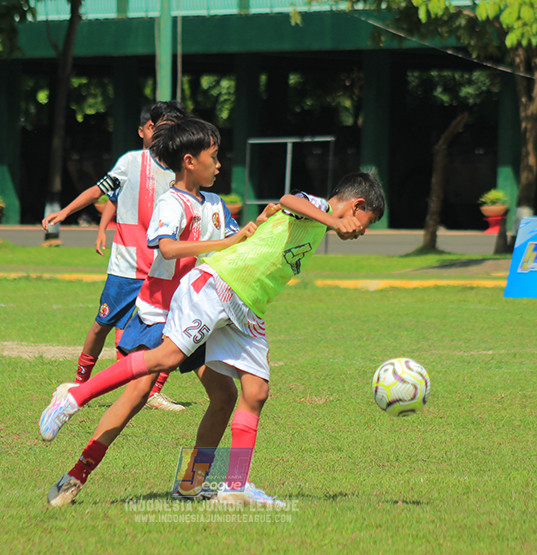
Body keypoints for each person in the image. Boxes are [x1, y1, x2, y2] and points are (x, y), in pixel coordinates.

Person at [38, 171, 386, 505]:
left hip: (247, 307)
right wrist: (332, 220)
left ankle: (220, 485)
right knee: (163, 362)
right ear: (355, 205)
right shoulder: (318, 209)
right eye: (365, 223)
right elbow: (289, 199)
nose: (362, 232)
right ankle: (73, 399)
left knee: (251, 392)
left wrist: (264, 221)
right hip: (218, 287)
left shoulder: (290, 219)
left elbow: (271, 219)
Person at [44, 117, 262, 507]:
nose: (220, 164)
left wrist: (261, 227)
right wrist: (226, 242)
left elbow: (235, 243)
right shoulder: (171, 202)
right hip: (160, 311)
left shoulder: (214, 204)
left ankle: (193, 482)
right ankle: (75, 473)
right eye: (215, 157)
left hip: (200, 313)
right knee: (136, 395)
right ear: (190, 161)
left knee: (224, 394)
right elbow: (166, 248)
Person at [43, 101, 188, 411]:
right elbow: (102, 191)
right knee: (102, 324)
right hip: (126, 265)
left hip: (163, 267)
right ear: (150, 128)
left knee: (173, 331)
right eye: (159, 126)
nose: (163, 133)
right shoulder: (132, 161)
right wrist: (66, 212)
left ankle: (152, 391)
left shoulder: (182, 172)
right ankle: (80, 383)